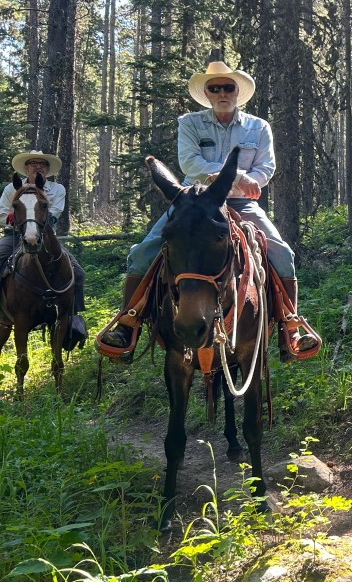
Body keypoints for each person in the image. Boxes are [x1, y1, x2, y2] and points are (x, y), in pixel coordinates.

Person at [100, 60, 320, 362]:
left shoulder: (259, 127)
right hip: (195, 203)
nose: (221, 92)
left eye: (227, 87)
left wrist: (248, 181)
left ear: (237, 91)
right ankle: (129, 323)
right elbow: (189, 163)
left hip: (241, 202)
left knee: (282, 253)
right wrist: (232, 175)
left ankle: (290, 327)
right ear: (207, 93)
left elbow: (266, 167)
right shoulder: (189, 123)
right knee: (144, 250)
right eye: (214, 88)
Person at [0, 150, 88, 346]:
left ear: (47, 169)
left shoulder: (57, 189)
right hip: (14, 235)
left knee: (78, 273)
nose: (38, 166)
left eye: (42, 164)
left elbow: (55, 211)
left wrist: (36, 220)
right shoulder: (11, 189)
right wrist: (13, 218)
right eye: (33, 163)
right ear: (26, 167)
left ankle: (72, 316)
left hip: (46, 236)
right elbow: (1, 212)